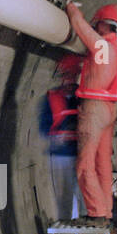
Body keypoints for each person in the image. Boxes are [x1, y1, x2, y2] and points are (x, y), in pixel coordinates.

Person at [65, 0, 117, 230]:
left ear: (103, 25)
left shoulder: (100, 46)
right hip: (110, 109)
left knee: (84, 163)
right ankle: (106, 211)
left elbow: (80, 26)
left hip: (93, 108)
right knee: (102, 163)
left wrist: (71, 8)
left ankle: (96, 211)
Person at [40, 53, 81, 222]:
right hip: (61, 156)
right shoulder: (52, 98)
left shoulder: (84, 96)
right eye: (66, 75)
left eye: (71, 75)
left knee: (86, 200)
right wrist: (55, 136)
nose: (68, 80)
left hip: (82, 155)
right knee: (63, 200)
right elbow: (44, 126)